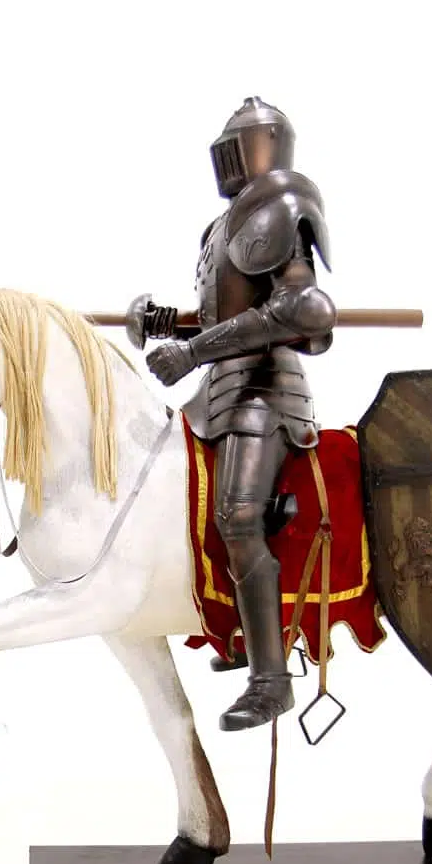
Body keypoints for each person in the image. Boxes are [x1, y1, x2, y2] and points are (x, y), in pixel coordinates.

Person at [146, 97, 336, 731]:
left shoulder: (281, 208)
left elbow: (305, 310)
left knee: (237, 515)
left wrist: (191, 351)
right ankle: (239, 633)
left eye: (238, 145)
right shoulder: (221, 230)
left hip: (265, 395)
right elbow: (227, 316)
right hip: (219, 395)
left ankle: (271, 680)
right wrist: (167, 325)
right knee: (188, 509)